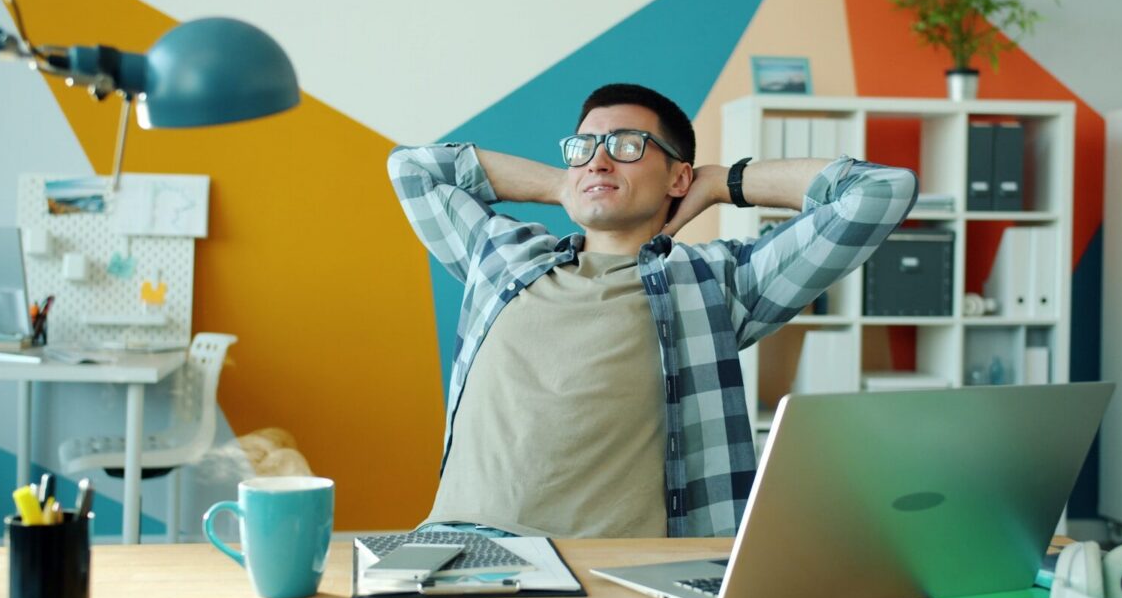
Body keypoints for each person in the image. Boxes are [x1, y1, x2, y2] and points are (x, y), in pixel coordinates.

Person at [388, 83, 917, 539]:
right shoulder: (503, 256)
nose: (599, 159)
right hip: (465, 544)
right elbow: (411, 168)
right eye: (585, 148)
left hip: (623, 567)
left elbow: (879, 191)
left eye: (626, 146)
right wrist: (564, 184)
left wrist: (720, 182)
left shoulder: (716, 283)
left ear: (676, 178)